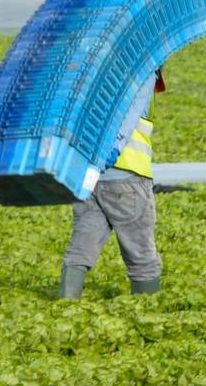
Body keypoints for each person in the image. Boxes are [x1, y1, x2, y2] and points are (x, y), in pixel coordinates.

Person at [59, 68, 166, 300]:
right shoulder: (143, 72)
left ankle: (65, 306)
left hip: (87, 176)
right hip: (126, 177)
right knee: (141, 256)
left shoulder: (93, 72)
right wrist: (115, 148)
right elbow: (130, 115)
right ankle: (149, 313)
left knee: (80, 248)